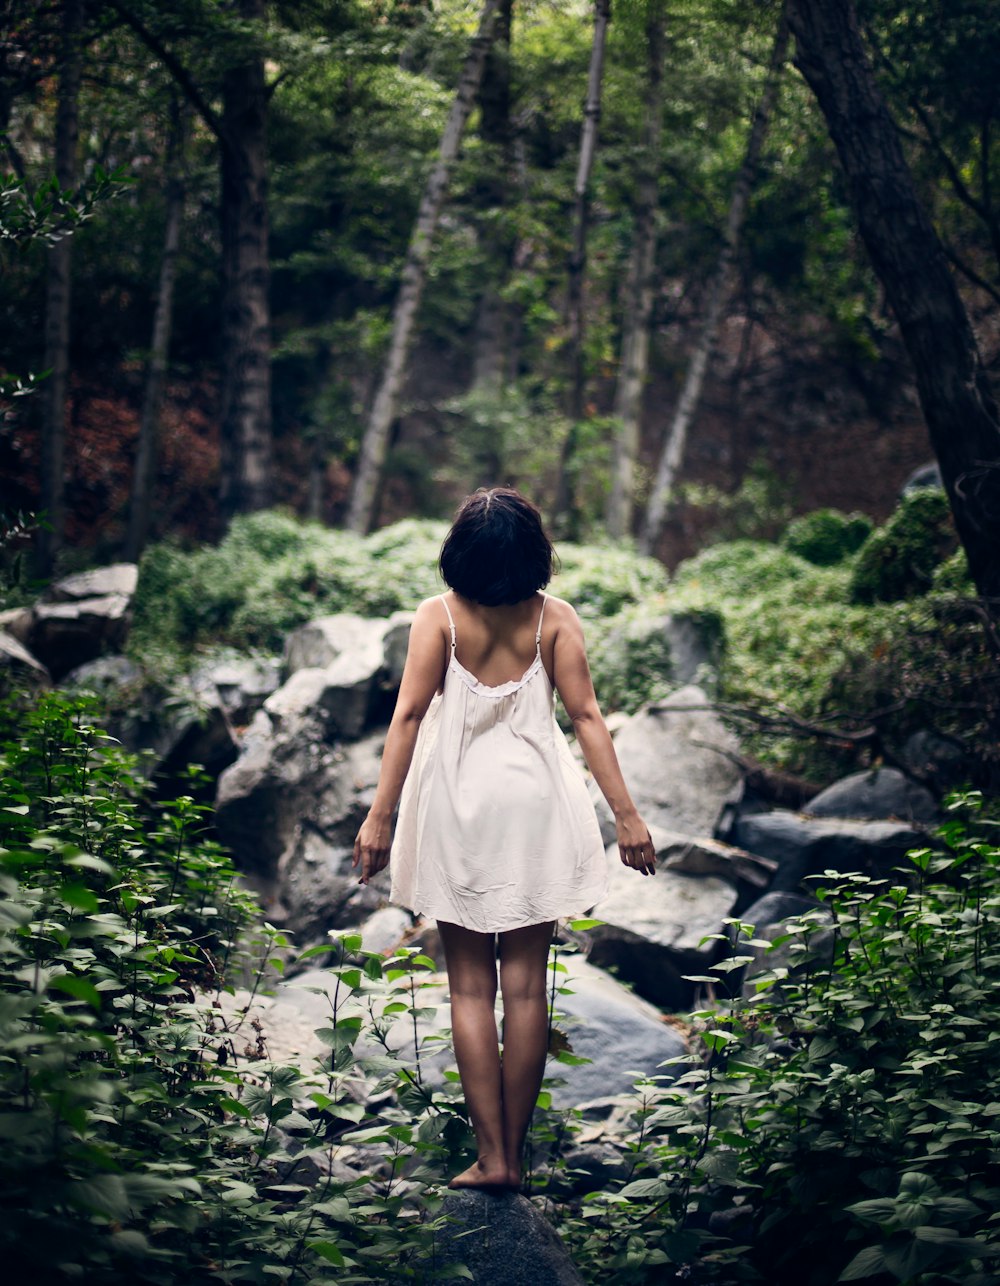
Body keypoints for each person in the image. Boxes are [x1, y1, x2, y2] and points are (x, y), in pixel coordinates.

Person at [352, 487, 655, 1191]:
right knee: (524, 993)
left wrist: (379, 817)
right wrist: (627, 817)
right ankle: (515, 1160)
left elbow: (406, 719)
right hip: (534, 804)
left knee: (467, 990)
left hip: (457, 805)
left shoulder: (439, 617)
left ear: (461, 550)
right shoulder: (555, 617)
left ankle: (488, 1158)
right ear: (532, 552)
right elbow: (586, 718)